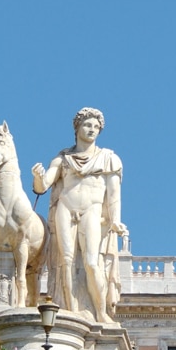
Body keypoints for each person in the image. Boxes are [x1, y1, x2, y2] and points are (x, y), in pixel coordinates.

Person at [32, 108, 128, 323]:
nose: (92, 129)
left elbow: (114, 196)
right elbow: (44, 186)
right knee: (64, 261)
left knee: (92, 262)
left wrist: (115, 220)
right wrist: (37, 178)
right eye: (87, 125)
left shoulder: (109, 158)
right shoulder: (63, 158)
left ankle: (100, 311)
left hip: (92, 210)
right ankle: (69, 309)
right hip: (65, 208)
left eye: (96, 126)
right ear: (77, 128)